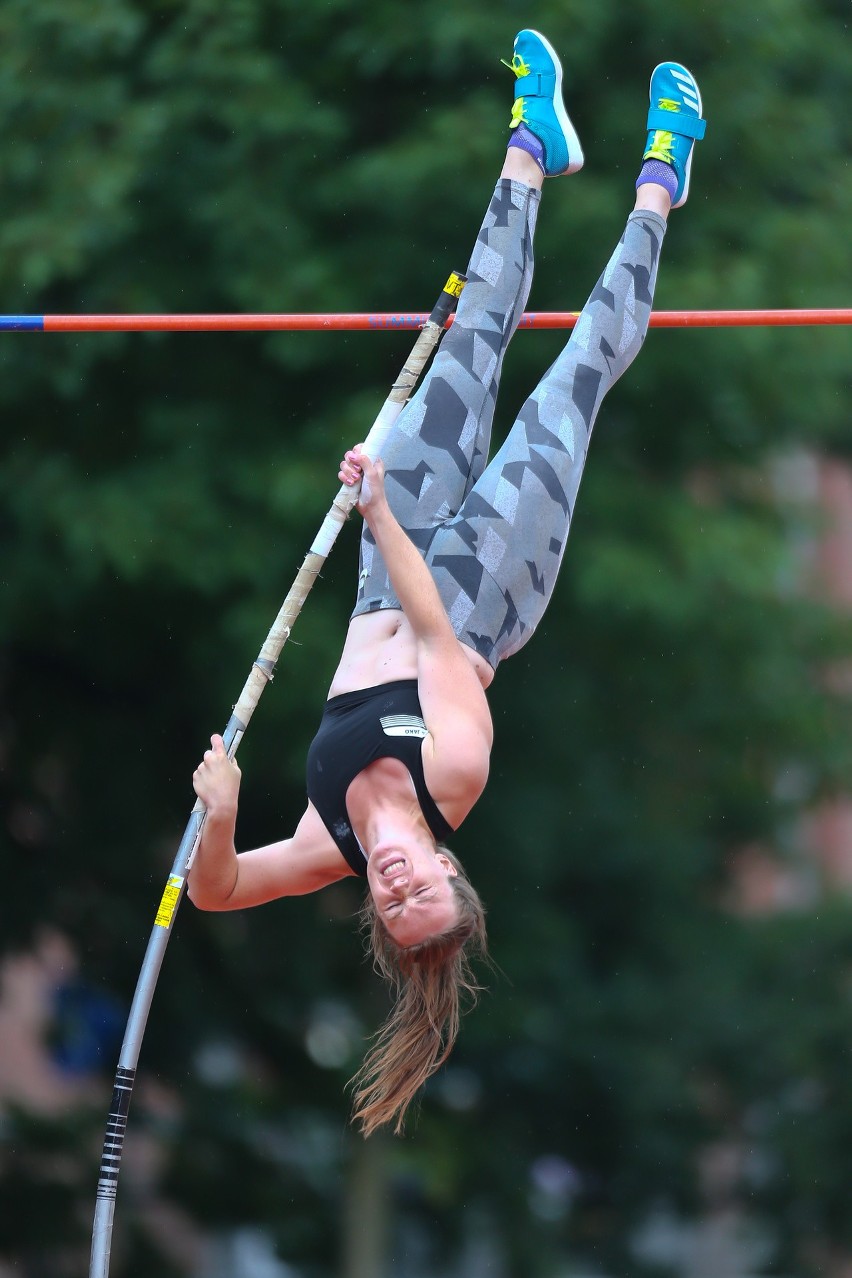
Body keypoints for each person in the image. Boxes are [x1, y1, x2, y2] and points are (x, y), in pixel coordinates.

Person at [188, 30, 707, 1136]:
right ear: (446, 862)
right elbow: (430, 638)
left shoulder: (329, 836)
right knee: (572, 375)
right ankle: (662, 183)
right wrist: (378, 508)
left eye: (392, 906)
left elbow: (215, 891)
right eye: (426, 890)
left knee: (473, 332)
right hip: (477, 587)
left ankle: (533, 145)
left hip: (392, 557)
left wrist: (224, 819)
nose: (397, 885)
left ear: (375, 908)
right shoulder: (454, 772)